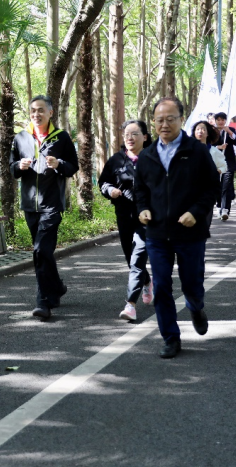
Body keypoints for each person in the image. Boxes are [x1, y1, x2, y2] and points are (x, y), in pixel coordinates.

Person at [135, 97, 220, 359]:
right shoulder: (147, 155)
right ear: (153, 122)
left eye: (170, 119)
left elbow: (212, 188)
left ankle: (196, 306)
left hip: (189, 233)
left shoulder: (197, 151)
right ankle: (170, 338)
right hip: (157, 233)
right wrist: (142, 209)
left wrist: (196, 213)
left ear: (181, 120)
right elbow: (140, 191)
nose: (164, 124)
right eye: (159, 119)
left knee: (192, 284)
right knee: (161, 286)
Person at [11, 95, 79, 320]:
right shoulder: (21, 137)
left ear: (50, 113)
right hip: (30, 204)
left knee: (40, 250)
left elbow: (73, 167)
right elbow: (11, 168)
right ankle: (57, 287)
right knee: (44, 252)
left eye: (40, 110)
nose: (36, 114)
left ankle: (43, 301)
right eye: (32, 111)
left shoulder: (61, 137)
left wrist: (59, 164)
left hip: (52, 204)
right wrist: (18, 166)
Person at [98, 120, 154, 321]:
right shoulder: (116, 160)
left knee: (138, 257)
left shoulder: (154, 158)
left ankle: (130, 305)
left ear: (145, 137)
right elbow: (103, 182)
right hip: (124, 214)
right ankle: (147, 282)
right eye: (127, 134)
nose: (129, 138)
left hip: (147, 217)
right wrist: (109, 190)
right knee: (130, 257)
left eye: (135, 134)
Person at [214, 112, 236, 221]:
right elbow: (207, 145)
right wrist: (219, 147)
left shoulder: (230, 131)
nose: (221, 122)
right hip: (216, 163)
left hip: (228, 163)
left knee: (226, 186)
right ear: (215, 121)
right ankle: (219, 205)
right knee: (218, 186)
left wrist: (228, 131)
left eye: (223, 119)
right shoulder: (212, 131)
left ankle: (225, 209)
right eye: (218, 120)